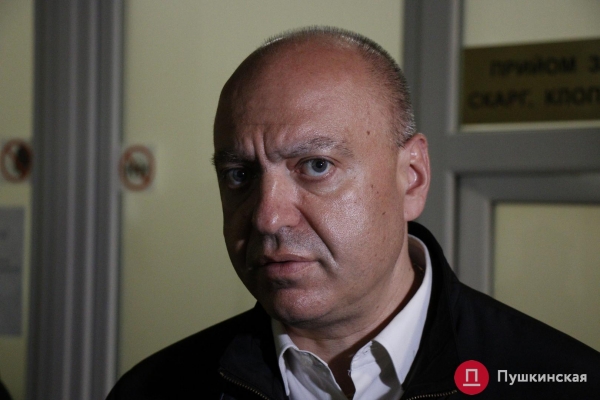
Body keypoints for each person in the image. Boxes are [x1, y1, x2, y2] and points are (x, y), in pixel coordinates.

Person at [107, 27, 600, 399]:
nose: (267, 218)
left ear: (413, 177)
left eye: (316, 166)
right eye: (239, 174)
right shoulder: (154, 390)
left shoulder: (566, 381)